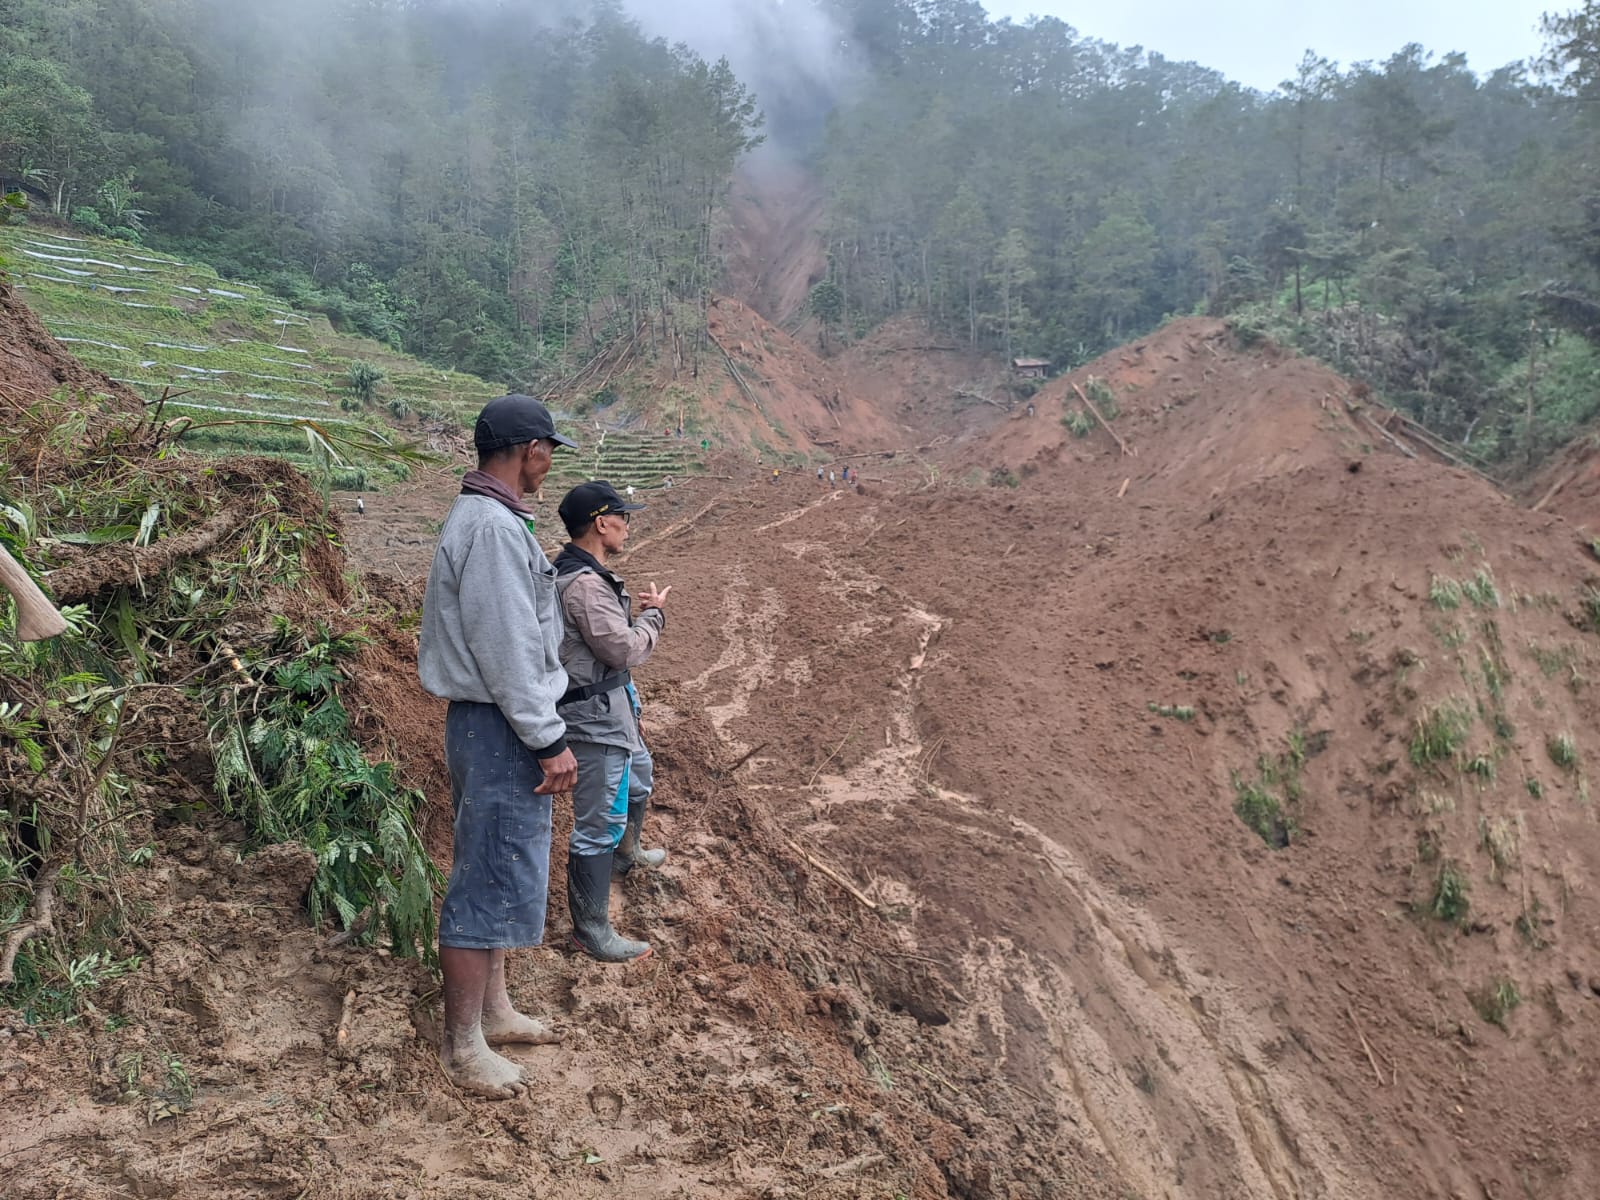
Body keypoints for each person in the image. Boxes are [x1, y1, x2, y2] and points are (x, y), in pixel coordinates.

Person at [417, 394, 580, 1100]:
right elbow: (508, 647)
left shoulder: (491, 517)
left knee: (501, 864)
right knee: (486, 875)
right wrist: (548, 739)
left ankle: (494, 1011)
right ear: (531, 450)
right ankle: (462, 1046)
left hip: (494, 722)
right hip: (501, 726)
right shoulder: (490, 527)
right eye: (549, 452)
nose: (549, 465)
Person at [552, 481, 669, 962]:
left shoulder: (586, 576)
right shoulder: (583, 585)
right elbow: (621, 649)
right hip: (594, 718)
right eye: (624, 518)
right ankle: (591, 930)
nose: (628, 527)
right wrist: (654, 617)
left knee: (638, 778)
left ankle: (628, 852)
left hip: (613, 705)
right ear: (602, 523)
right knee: (598, 820)